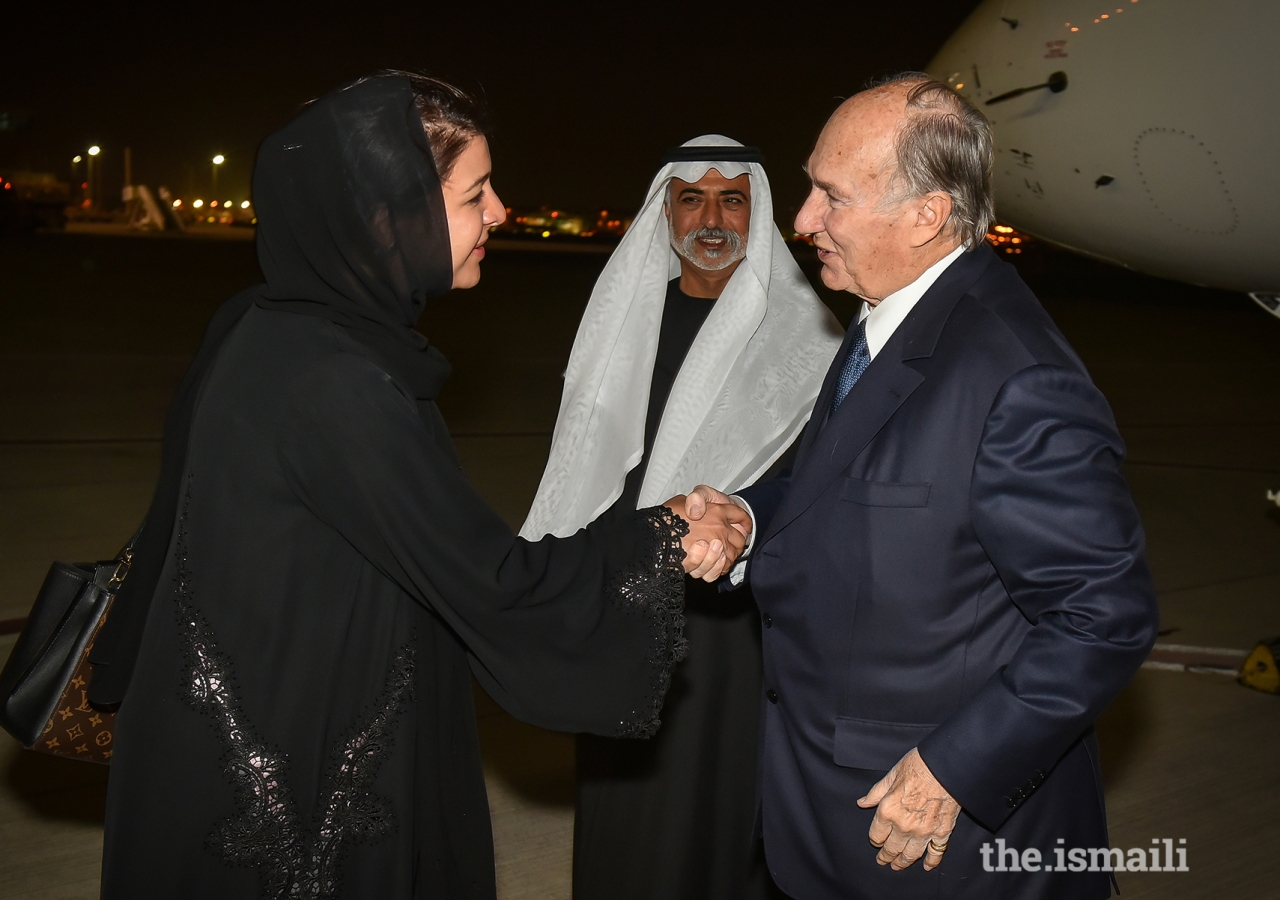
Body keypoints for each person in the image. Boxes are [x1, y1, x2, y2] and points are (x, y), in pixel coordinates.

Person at [92, 73, 751, 899]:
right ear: (386, 216)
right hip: (292, 780)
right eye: (476, 193)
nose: (502, 212)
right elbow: (494, 583)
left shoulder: (270, 324)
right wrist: (664, 532)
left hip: (244, 729)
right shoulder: (335, 385)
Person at [690, 74, 1159, 899]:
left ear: (926, 215)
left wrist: (951, 770)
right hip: (835, 819)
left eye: (830, 197)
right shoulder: (893, 315)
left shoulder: (1015, 376)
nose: (801, 221)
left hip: (945, 850)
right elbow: (841, 480)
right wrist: (752, 518)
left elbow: (1103, 615)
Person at [521, 136, 841, 900]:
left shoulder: (807, 338)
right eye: (691, 197)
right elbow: (584, 465)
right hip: (628, 597)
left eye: (733, 197)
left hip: (741, 624)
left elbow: (817, 484)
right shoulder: (622, 326)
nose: (712, 216)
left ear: (757, 212)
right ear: (664, 210)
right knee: (626, 812)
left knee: (727, 811)